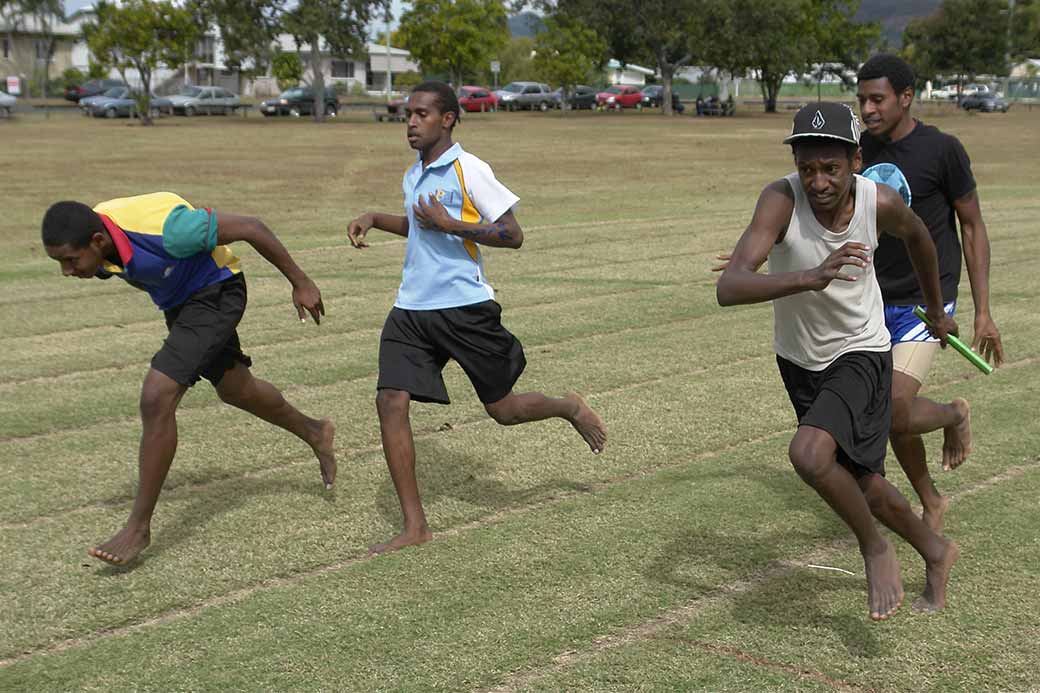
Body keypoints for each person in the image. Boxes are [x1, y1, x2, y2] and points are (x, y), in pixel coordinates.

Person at [716, 102, 960, 620]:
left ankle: (875, 548)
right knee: (860, 482)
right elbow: (730, 285)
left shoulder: (881, 201)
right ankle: (936, 552)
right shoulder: (780, 199)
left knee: (808, 454)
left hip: (861, 351)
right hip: (800, 361)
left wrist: (938, 310)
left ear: (855, 159)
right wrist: (807, 275)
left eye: (831, 168)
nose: (819, 181)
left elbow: (920, 237)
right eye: (808, 169)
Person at [346, 81, 607, 555]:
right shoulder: (415, 173)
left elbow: (512, 234)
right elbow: (418, 227)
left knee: (502, 411)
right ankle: (415, 526)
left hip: (464, 309)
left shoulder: (471, 170)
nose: (410, 122)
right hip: (411, 309)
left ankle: (567, 406)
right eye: (409, 114)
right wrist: (374, 217)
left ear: (447, 119)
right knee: (389, 401)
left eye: (421, 114)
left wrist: (454, 225)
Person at [42, 193, 336, 565]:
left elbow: (252, 227)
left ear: (97, 241)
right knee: (237, 389)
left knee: (157, 396)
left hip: (217, 291)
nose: (67, 271)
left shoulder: (171, 232)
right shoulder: (96, 236)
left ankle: (138, 528)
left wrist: (301, 282)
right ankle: (315, 431)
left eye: (70, 260)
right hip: (182, 302)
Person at [857, 54, 1004, 532]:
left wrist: (983, 312)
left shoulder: (943, 149)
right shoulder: (860, 149)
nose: (868, 109)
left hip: (928, 303)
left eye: (877, 99)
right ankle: (931, 500)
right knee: (890, 415)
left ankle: (952, 413)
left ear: (905, 97)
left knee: (894, 408)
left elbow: (973, 226)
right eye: (862, 99)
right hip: (873, 302)